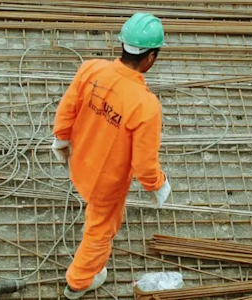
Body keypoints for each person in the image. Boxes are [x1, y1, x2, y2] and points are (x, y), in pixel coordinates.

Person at [50, 12, 172, 300]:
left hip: (79, 162)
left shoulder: (91, 69)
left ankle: (83, 275)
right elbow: (144, 165)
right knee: (100, 232)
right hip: (106, 183)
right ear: (151, 57)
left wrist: (61, 139)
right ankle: (78, 283)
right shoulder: (145, 106)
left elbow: (67, 108)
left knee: (95, 219)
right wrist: (158, 184)